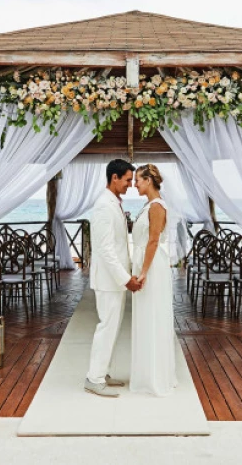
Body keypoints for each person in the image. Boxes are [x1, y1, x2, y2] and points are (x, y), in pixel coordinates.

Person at [85, 159, 143, 398]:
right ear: (115, 178)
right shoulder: (103, 206)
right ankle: (93, 378)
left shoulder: (114, 203)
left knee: (112, 328)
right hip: (109, 280)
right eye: (128, 179)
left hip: (114, 279)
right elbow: (105, 249)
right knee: (106, 327)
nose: (131, 184)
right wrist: (125, 278)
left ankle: (102, 372)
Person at [130, 164, 177, 396]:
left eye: (137, 180)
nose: (134, 184)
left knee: (153, 316)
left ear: (148, 180)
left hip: (153, 267)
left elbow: (153, 241)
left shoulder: (157, 206)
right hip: (145, 262)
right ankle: (148, 372)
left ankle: (156, 377)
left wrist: (145, 271)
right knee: (146, 316)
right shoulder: (148, 205)